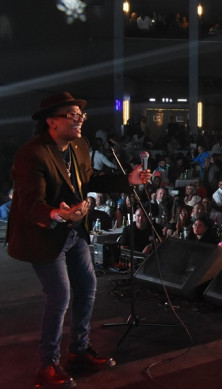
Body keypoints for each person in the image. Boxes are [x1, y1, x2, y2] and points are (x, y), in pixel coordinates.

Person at [8, 92, 152, 386]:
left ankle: (79, 350)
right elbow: (29, 204)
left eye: (81, 116)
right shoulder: (32, 154)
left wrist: (128, 181)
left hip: (75, 231)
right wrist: (57, 213)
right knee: (60, 295)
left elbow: (90, 181)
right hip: (43, 234)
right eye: (72, 116)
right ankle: (47, 364)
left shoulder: (80, 146)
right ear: (52, 122)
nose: (79, 120)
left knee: (87, 286)